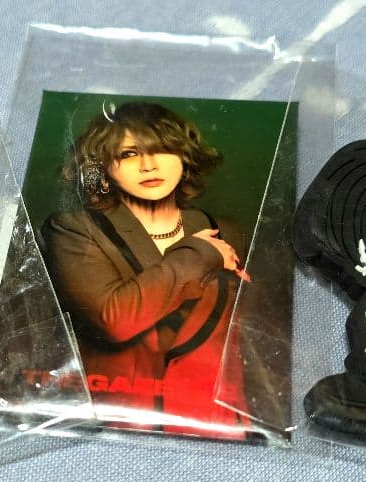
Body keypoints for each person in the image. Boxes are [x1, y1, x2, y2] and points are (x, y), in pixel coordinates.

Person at [41, 102, 250, 440]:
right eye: (129, 154)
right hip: (120, 423)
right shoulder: (74, 229)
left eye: (163, 149)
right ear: (104, 165)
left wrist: (241, 422)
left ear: (184, 157)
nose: (149, 165)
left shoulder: (227, 231)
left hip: (214, 424)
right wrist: (201, 254)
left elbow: (242, 339)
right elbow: (116, 319)